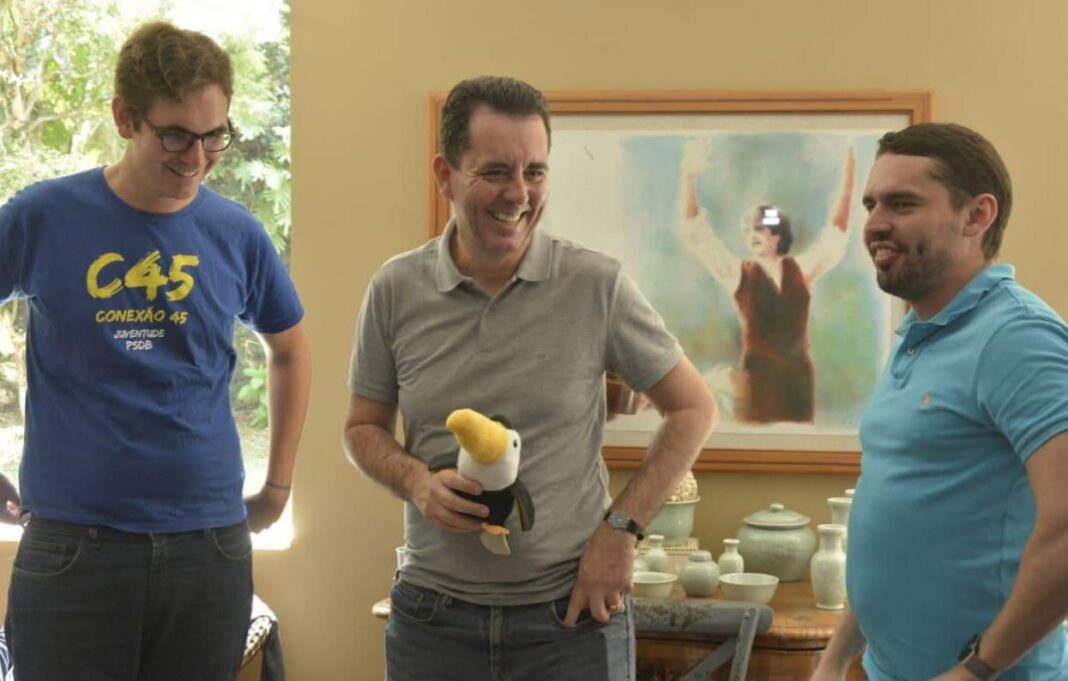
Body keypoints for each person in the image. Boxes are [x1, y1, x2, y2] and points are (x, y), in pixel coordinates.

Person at [344, 75, 716, 680]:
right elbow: (362, 429)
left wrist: (621, 532)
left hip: (571, 619)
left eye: (535, 172)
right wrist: (417, 482)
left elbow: (695, 409)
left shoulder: (596, 285)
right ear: (445, 176)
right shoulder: (395, 289)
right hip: (433, 621)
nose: (518, 193)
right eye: (495, 172)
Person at [0, 22, 310, 680]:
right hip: (74, 547)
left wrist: (279, 484)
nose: (196, 157)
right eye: (175, 135)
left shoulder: (236, 233)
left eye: (215, 135)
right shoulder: (43, 216)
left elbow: (289, 348)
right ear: (124, 117)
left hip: (209, 548)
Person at [811, 123, 1068, 680]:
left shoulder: (1018, 336)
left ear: (977, 216)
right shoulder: (918, 333)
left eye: (902, 204)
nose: (875, 223)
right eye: (872, 204)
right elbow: (900, 520)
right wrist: (834, 658)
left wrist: (976, 670)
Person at [677, 141, 855, 424]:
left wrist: (849, 170)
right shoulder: (738, 273)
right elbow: (695, 234)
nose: (751, 235)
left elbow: (837, 230)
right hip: (758, 384)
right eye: (747, 229)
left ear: (777, 234)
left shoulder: (801, 270)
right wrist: (690, 177)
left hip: (797, 384)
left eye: (759, 228)